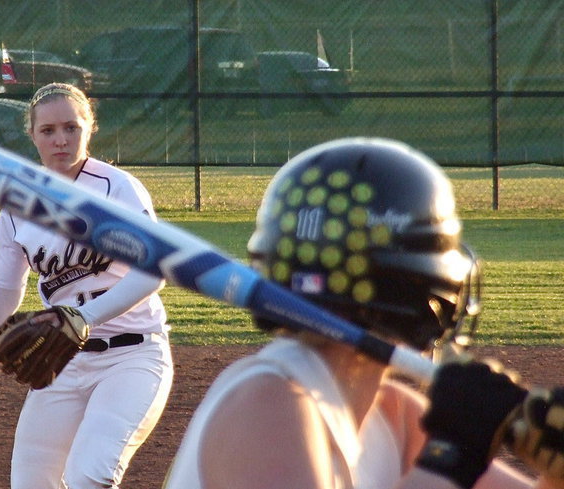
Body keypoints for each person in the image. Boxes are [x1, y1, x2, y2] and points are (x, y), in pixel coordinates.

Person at [163, 137, 564, 489]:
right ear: (417, 281)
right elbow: (446, 468)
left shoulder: (392, 415)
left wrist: (554, 474)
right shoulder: (269, 405)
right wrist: (451, 455)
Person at [0, 82, 173, 489]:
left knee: (90, 475)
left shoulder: (117, 189)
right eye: (48, 131)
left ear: (90, 128)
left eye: (71, 127)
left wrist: (84, 317)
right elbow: (4, 290)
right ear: (31, 135)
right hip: (62, 362)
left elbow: (151, 272)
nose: (61, 140)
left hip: (132, 358)